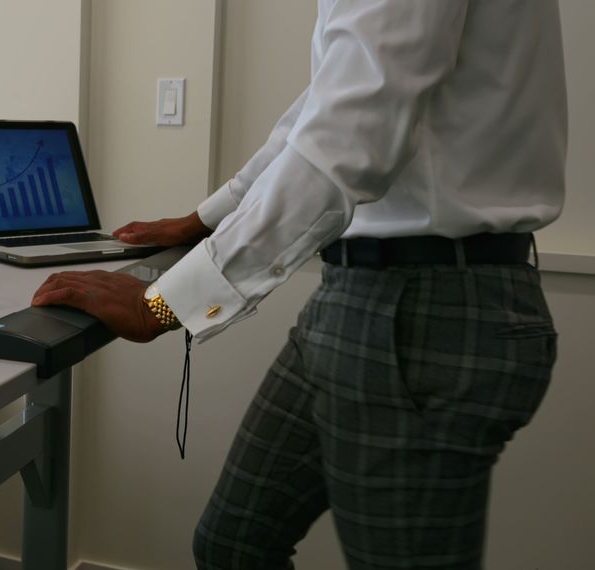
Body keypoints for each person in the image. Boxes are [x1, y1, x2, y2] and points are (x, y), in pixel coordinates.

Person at [31, 1, 566, 568]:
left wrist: (164, 306)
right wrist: (209, 216)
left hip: (424, 310)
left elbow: (349, 137)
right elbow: (324, 107)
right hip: (361, 295)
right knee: (232, 548)